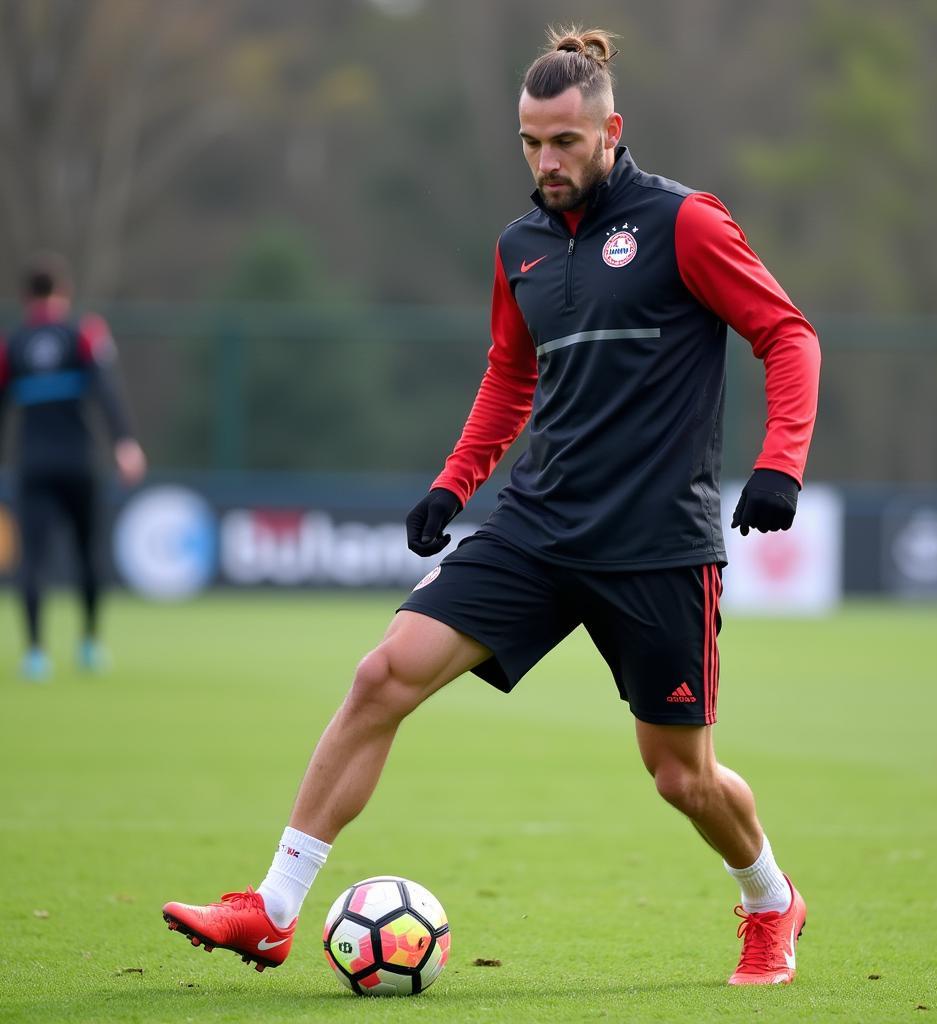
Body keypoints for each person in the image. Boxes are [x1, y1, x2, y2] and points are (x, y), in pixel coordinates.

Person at [163, 26, 821, 987]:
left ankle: (770, 900)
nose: (546, 162)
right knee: (383, 674)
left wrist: (781, 463)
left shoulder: (685, 224)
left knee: (681, 776)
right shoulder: (519, 247)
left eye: (564, 142)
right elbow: (511, 376)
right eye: (530, 143)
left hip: (654, 545)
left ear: (610, 130)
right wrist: (454, 482)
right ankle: (270, 910)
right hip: (537, 525)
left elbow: (788, 336)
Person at [0, 254, 146, 680]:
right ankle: (88, 643)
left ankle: (34, 652)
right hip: (79, 462)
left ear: (26, 297)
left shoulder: (13, 345)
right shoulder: (83, 334)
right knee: (87, 554)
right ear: (63, 293)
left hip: (34, 465)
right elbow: (107, 391)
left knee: (33, 560)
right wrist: (125, 442)